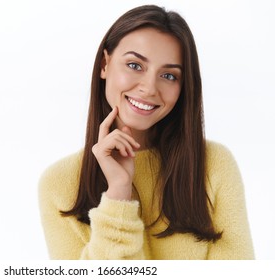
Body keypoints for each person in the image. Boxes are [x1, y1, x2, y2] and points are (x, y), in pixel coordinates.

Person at [38, 4, 254, 259]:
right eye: (135, 65)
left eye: (169, 75)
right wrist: (119, 192)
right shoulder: (59, 185)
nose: (150, 88)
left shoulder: (214, 164)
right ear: (105, 65)